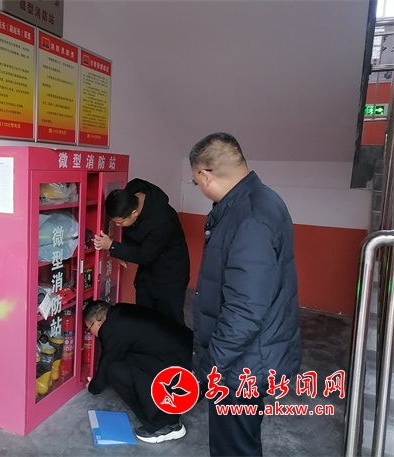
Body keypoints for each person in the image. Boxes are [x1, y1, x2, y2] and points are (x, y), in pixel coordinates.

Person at [188, 132, 301, 456]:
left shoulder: (249, 218)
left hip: (243, 365)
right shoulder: (262, 200)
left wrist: (210, 368)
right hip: (251, 357)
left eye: (195, 181)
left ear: (205, 175)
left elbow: (244, 311)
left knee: (233, 447)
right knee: (240, 440)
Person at [84, 300, 193, 444]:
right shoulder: (121, 311)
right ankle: (167, 415)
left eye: (89, 328)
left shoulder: (113, 329)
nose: (91, 333)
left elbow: (107, 362)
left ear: (98, 323)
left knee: (114, 371)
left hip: (180, 363)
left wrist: (93, 387)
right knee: (125, 361)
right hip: (187, 349)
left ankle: (164, 425)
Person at [93, 178, 190, 325]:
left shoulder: (163, 220)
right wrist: (124, 248)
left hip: (170, 271)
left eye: (120, 222)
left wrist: (112, 246)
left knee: (170, 319)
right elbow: (131, 230)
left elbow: (145, 256)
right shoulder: (132, 192)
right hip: (147, 271)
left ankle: (178, 340)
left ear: (134, 212)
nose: (118, 226)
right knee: (144, 313)